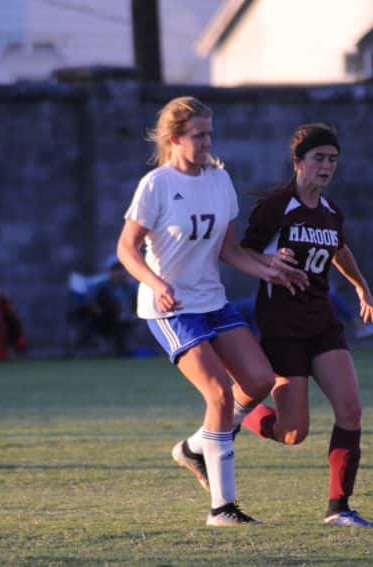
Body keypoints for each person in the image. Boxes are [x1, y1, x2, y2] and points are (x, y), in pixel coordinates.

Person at [116, 95, 307, 527]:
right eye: (198, 135)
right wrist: (157, 284)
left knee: (259, 380)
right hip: (172, 309)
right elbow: (126, 249)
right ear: (174, 138)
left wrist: (269, 268)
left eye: (209, 135)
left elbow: (230, 250)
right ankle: (222, 509)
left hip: (212, 301)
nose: (206, 143)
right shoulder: (156, 185)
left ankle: (196, 447)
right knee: (219, 394)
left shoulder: (220, 179)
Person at [239, 123, 373, 527]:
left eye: (333, 159)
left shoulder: (332, 211)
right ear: (298, 161)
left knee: (351, 410)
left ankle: (339, 509)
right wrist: (269, 262)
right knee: (292, 433)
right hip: (282, 328)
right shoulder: (276, 207)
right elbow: (240, 252)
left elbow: (339, 249)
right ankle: (236, 411)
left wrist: (361, 287)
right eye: (319, 158)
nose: (326, 166)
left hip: (322, 324)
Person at [85, 259, 137, 356]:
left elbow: (135, 304)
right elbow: (91, 302)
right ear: (109, 271)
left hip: (127, 318)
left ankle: (122, 349)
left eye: (121, 269)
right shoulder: (101, 286)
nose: (119, 272)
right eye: (115, 269)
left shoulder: (131, 286)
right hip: (105, 318)